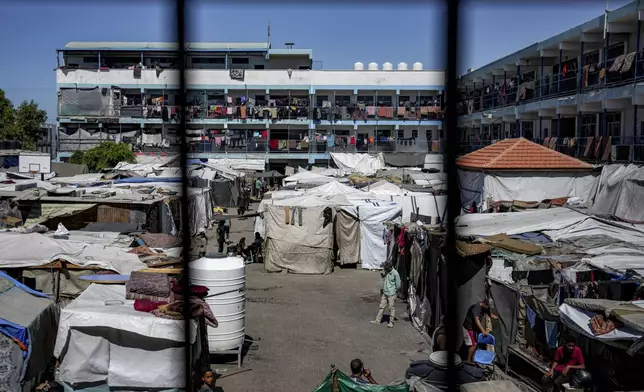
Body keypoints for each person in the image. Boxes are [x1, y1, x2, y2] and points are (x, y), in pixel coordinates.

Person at [462, 298, 498, 362]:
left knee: (474, 344)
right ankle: (468, 361)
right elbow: (477, 320)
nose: (488, 308)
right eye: (488, 307)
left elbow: (490, 315)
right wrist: (483, 331)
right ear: (485, 304)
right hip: (469, 328)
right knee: (473, 345)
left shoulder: (484, 308)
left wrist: (498, 318)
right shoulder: (476, 308)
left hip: (474, 329)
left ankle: (471, 359)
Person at [370, 261, 401, 328]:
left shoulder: (395, 273)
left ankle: (391, 322)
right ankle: (377, 320)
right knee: (381, 307)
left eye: (385, 266)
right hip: (385, 292)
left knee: (391, 308)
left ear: (389, 267)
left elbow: (398, 285)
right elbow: (384, 280)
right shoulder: (386, 272)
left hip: (391, 294)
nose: (384, 268)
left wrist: (393, 291)